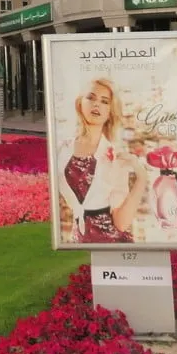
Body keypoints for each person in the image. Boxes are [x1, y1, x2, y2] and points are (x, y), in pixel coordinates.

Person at [58, 77, 147, 243]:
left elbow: (121, 223)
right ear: (80, 103)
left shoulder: (116, 156)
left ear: (110, 112)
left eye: (104, 101)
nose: (97, 105)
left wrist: (142, 178)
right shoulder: (62, 149)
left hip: (111, 242)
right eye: (91, 98)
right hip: (79, 239)